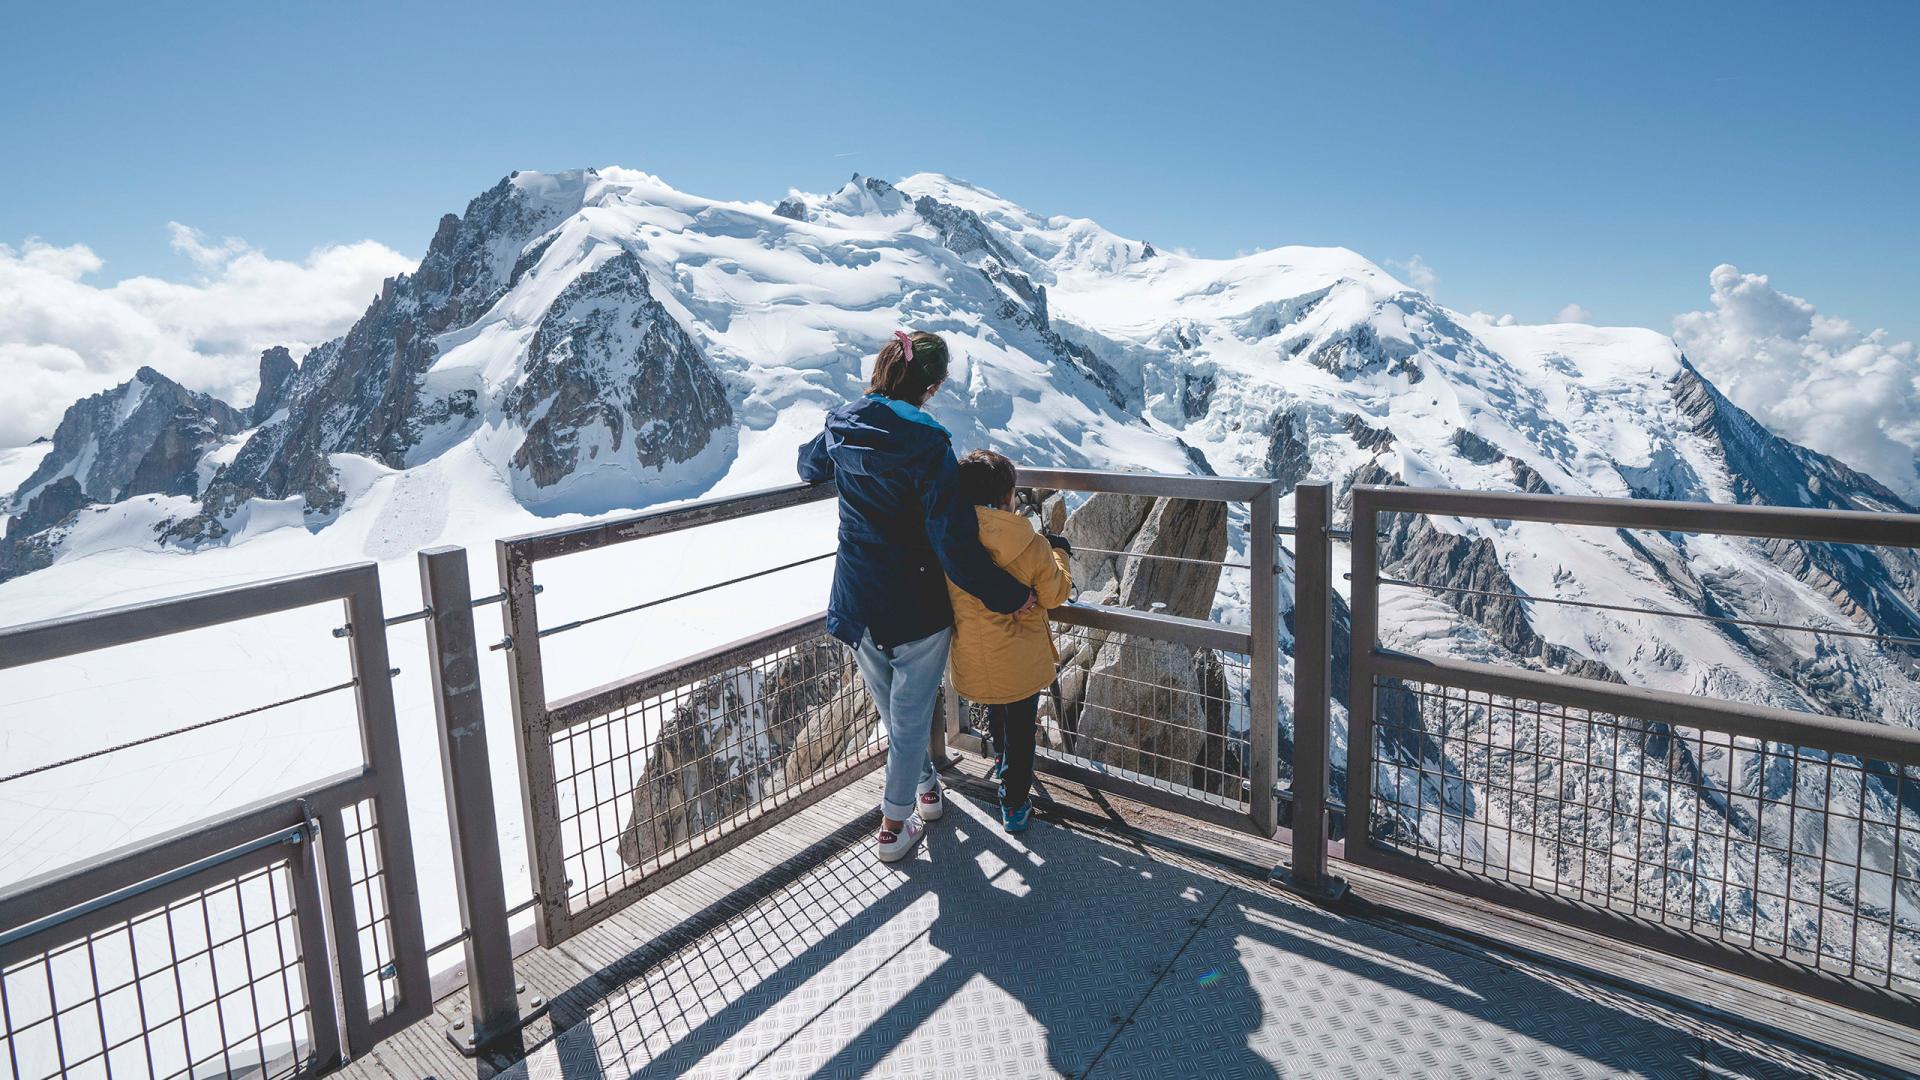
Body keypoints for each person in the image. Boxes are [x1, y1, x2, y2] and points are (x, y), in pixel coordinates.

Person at [798, 330, 1037, 862]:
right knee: (908, 718)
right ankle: (891, 827)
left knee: (893, 713)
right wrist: (1007, 595)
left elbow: (807, 466)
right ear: (931, 386)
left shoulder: (842, 421)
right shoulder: (929, 442)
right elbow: (953, 542)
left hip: (858, 594)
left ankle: (927, 792)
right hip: (915, 601)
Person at [945, 450, 1074, 832]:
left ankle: (1000, 759)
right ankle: (1015, 804)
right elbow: (1054, 594)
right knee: (1022, 729)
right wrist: (1060, 553)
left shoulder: (951, 540)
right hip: (1021, 661)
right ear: (1008, 497)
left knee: (998, 708)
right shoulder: (1030, 544)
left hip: (971, 658)